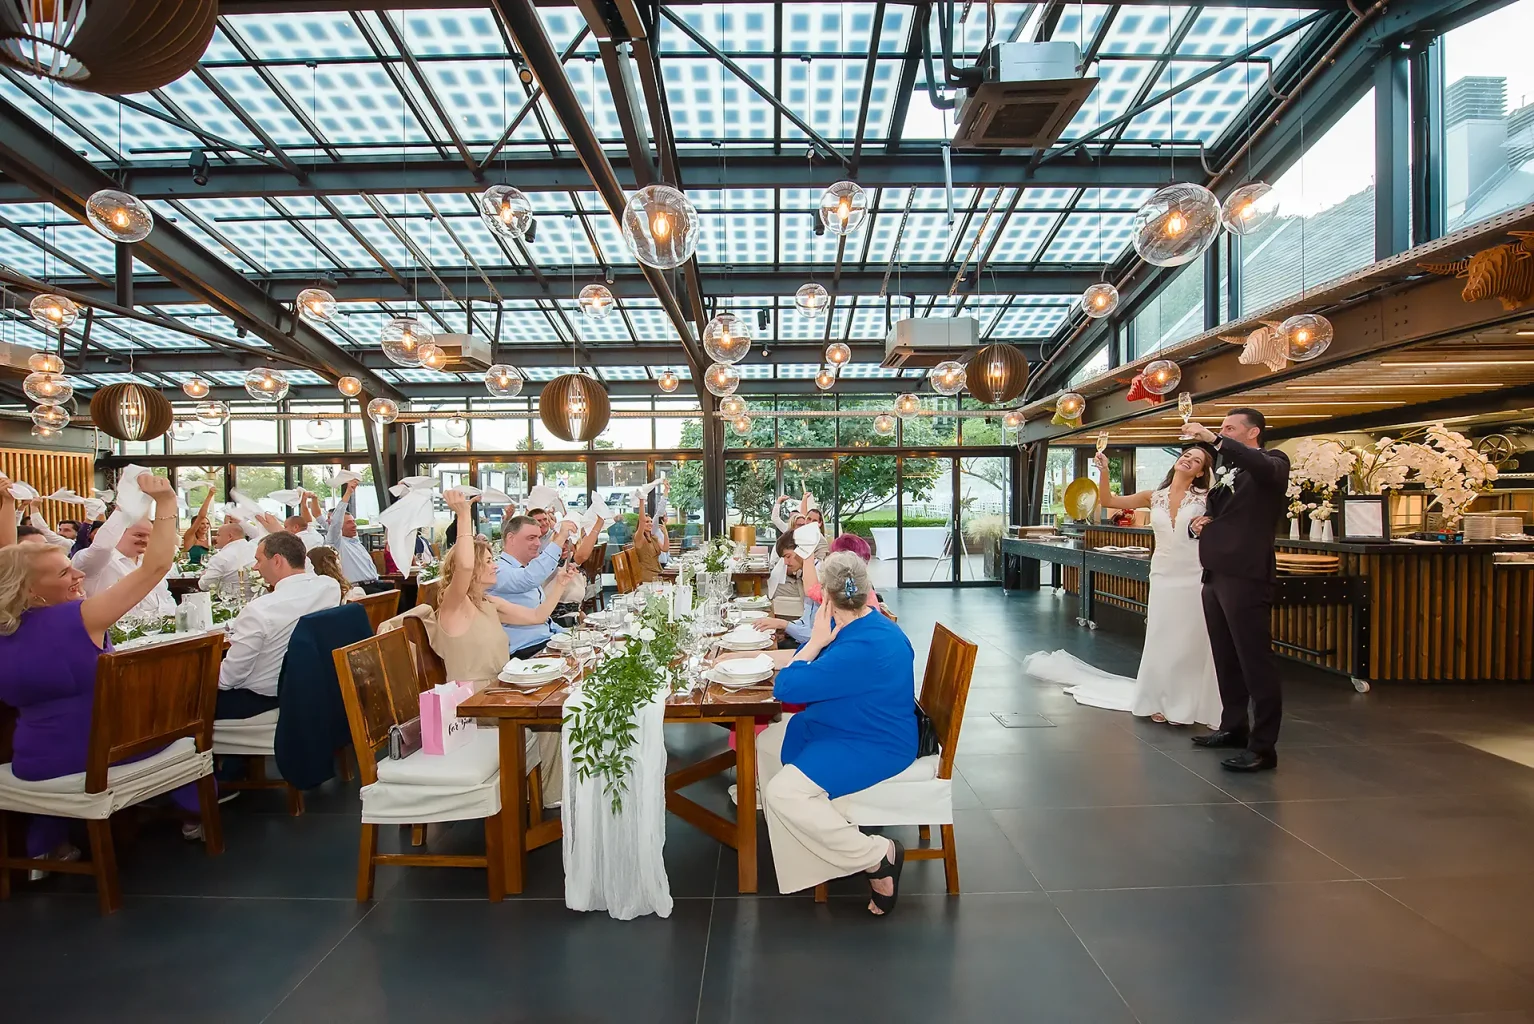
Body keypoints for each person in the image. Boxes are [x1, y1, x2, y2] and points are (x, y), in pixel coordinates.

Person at [0, 471, 206, 863]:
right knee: (175, 728)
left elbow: (6, 564)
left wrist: (9, 506)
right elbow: (156, 566)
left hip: (32, 759)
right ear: (30, 590)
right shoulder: (81, 618)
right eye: (65, 572)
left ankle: (45, 845)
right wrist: (165, 503)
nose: (79, 575)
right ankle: (197, 811)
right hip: (98, 753)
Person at [755, 552, 914, 914]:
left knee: (783, 793)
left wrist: (813, 642)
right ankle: (810, 855)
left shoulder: (859, 645)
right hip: (853, 723)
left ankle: (877, 855)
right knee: (766, 743)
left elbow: (788, 688)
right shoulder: (867, 624)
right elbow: (822, 671)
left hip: (875, 742)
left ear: (825, 597)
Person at [1022, 444, 1222, 729]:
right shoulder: (1153, 497)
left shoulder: (1206, 498)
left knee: (1191, 638)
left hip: (1193, 574)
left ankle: (1187, 702)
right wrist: (1103, 470)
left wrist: (1209, 524)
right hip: (1164, 574)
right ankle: (1158, 699)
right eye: (1186, 455)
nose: (1189, 460)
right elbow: (1108, 500)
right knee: (1161, 636)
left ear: (1202, 471)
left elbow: (1222, 523)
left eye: (1197, 459)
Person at [433, 491, 578, 808]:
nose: (495, 567)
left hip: (501, 692)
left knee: (558, 712)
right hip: (474, 707)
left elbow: (537, 617)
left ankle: (549, 795)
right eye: (488, 563)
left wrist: (560, 584)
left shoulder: (488, 603)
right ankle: (545, 796)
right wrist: (463, 515)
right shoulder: (454, 607)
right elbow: (464, 565)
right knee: (552, 716)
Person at [1185, 409, 1291, 772]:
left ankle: (1263, 747)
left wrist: (1213, 440)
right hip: (1216, 572)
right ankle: (1233, 727)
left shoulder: (1273, 463)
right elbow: (1221, 514)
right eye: (1221, 429)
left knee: (1254, 660)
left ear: (1253, 432)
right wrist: (1202, 522)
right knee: (1225, 657)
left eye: (1229, 428)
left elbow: (1257, 465)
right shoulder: (1230, 472)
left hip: (1246, 573)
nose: (1222, 432)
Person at [214, 531, 340, 721]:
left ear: (277, 561)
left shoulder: (259, 611)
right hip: (312, 691)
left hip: (263, 702)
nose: (255, 567)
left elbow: (227, 680)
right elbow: (305, 569)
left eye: (258, 560)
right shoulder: (330, 588)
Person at [488, 513, 578, 658]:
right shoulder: (498, 571)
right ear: (511, 538)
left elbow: (546, 622)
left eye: (538, 537)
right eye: (531, 538)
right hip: (525, 653)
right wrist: (560, 539)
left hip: (545, 643)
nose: (537, 543)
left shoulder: (524, 569)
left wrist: (571, 636)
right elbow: (530, 578)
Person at [72, 501, 177, 620]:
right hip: (116, 636)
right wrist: (125, 504)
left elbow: (166, 597)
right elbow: (102, 547)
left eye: (149, 536)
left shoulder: (149, 563)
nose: (146, 540)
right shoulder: (98, 562)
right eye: (139, 535)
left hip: (161, 632)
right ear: (119, 533)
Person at [323, 479, 385, 592]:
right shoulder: (336, 543)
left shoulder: (355, 541)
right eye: (349, 523)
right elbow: (336, 522)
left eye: (354, 522)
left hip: (375, 582)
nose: (354, 525)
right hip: (357, 588)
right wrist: (348, 493)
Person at [197, 519, 259, 592]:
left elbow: (207, 585)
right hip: (258, 597)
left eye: (218, 535)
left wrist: (203, 576)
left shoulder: (220, 557)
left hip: (229, 600)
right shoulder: (256, 548)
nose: (216, 538)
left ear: (230, 536)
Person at [630, 509, 666, 584]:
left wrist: (665, 533)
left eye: (651, 521)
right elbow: (641, 521)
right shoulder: (639, 538)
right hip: (648, 576)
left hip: (658, 573)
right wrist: (641, 500)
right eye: (647, 522)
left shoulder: (653, 537)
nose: (650, 524)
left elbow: (665, 549)